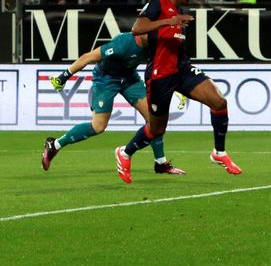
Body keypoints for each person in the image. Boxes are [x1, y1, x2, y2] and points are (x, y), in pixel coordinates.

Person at [115, 0, 242, 183]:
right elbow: (137, 28)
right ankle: (125, 153)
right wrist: (168, 21)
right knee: (157, 129)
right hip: (160, 75)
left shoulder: (178, 10)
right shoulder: (157, 4)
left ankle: (219, 152)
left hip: (182, 69)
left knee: (219, 101)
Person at [42, 33, 186, 175]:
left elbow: (165, 68)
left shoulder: (155, 45)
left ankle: (160, 163)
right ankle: (55, 145)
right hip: (106, 79)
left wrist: (175, 87)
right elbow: (87, 57)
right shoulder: (123, 43)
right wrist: (63, 77)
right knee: (98, 126)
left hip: (130, 79)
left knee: (154, 120)